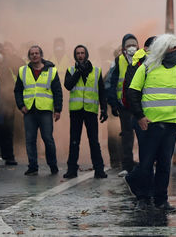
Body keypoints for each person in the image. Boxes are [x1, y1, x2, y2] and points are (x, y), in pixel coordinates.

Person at [125, 34, 176, 211]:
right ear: (163, 50)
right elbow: (132, 93)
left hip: (170, 126)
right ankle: (143, 198)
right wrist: (140, 116)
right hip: (150, 125)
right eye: (173, 49)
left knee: (164, 164)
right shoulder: (146, 68)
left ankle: (161, 200)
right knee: (146, 164)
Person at [14, 44, 62, 176]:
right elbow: (18, 90)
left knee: (47, 139)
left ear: (41, 55)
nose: (34, 55)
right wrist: (20, 105)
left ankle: (53, 165)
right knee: (30, 139)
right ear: (29, 56)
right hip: (29, 110)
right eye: (32, 54)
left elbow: (57, 91)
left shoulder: (51, 70)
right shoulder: (23, 70)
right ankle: (33, 167)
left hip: (45, 110)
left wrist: (57, 109)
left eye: (37, 53)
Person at [63, 44, 108, 179]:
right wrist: (78, 72)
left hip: (90, 110)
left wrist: (104, 109)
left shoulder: (96, 71)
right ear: (75, 56)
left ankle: (99, 170)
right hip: (76, 111)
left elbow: (101, 92)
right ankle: (71, 170)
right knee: (74, 141)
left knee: (94, 141)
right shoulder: (71, 70)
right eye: (78, 53)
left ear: (86, 55)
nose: (80, 56)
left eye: (82, 53)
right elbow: (68, 85)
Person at [107, 33, 140, 176]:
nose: (131, 48)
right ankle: (127, 165)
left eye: (134, 45)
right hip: (124, 105)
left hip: (140, 105)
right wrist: (113, 104)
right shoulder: (117, 61)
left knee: (143, 134)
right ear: (123, 48)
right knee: (127, 136)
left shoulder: (144, 60)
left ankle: (145, 164)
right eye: (128, 45)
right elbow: (110, 83)